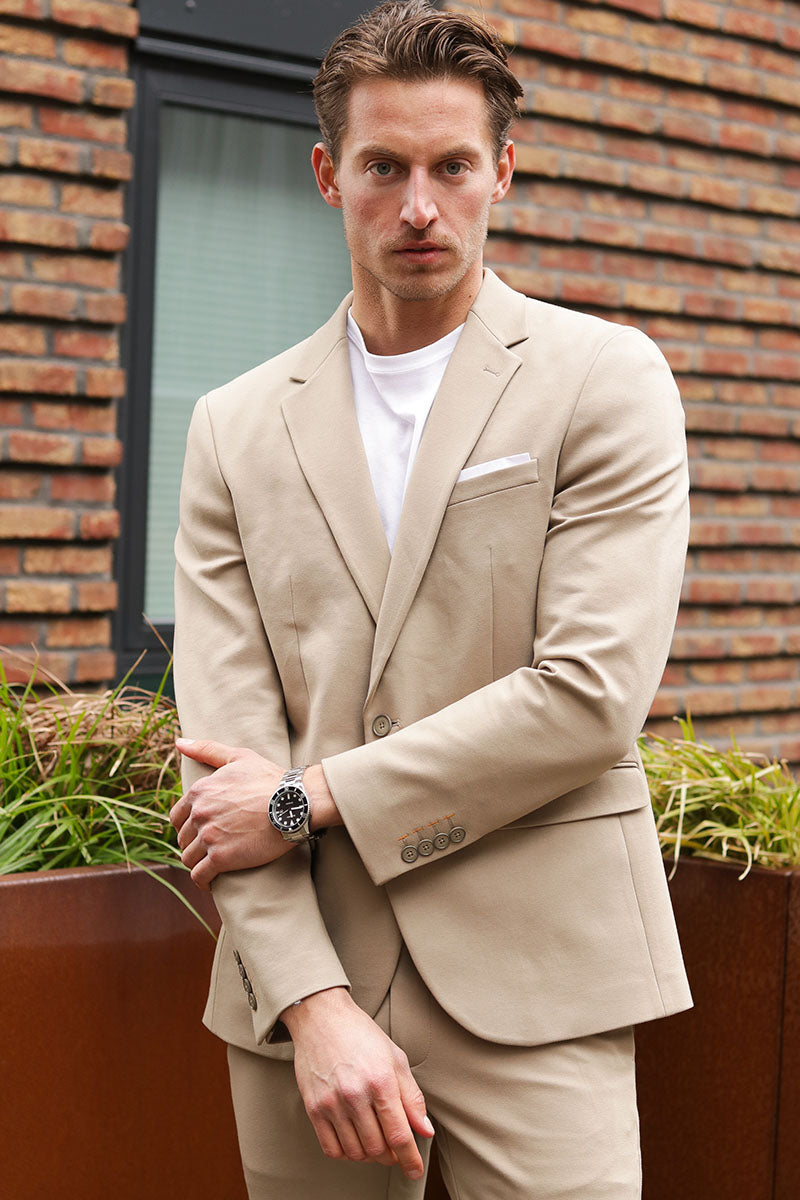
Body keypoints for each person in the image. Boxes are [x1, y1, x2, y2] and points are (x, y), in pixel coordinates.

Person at [169, 2, 692, 1196]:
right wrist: (313, 1006)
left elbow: (586, 697)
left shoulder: (603, 380)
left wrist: (304, 799)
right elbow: (223, 755)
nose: (418, 206)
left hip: (541, 981)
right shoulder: (230, 429)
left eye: (451, 166)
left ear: (500, 170)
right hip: (302, 992)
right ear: (327, 176)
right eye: (383, 168)